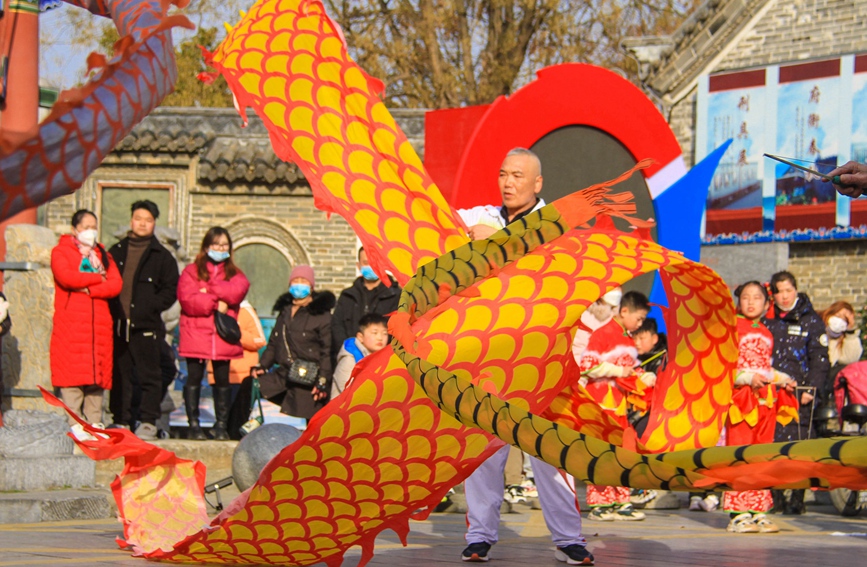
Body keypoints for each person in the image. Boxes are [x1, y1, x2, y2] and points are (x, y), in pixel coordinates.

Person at [457, 148, 593, 566]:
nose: (508, 182)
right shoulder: (482, 214)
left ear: (537, 184)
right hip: (491, 352)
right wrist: (469, 236)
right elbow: (440, 221)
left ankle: (569, 538)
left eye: (517, 175)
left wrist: (493, 243)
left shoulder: (555, 225)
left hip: (539, 357)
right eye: (502, 174)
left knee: (549, 452)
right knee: (484, 448)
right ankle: (480, 535)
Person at [723, 281, 792, 534]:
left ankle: (759, 510)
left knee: (762, 455)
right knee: (740, 454)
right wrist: (745, 378)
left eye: (757, 298)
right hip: (741, 401)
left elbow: (765, 369)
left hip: (765, 402)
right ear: (738, 301)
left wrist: (783, 379)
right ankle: (738, 513)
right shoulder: (730, 329)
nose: (751, 302)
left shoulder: (767, 332)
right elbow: (723, 369)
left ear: (766, 303)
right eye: (745, 297)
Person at [578, 291, 653, 521]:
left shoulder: (628, 339)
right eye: (638, 318)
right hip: (601, 401)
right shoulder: (603, 333)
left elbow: (629, 369)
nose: (640, 324)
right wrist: (619, 372)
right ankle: (600, 503)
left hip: (619, 405)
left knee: (622, 451)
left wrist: (644, 377)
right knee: (601, 451)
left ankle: (621, 499)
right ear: (624, 311)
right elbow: (587, 366)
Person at [108, 200, 180, 440]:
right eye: (139, 218)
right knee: (121, 375)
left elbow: (170, 291)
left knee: (151, 375)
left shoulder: (162, 257)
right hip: (119, 325)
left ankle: (148, 421)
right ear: (131, 220)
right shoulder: (116, 252)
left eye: (148, 220)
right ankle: (121, 420)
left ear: (154, 224)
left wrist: (150, 308)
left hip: (147, 326)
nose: (142, 223)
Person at [50, 210, 123, 437]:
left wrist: (88, 288)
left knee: (96, 377)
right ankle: (75, 422)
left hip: (99, 325)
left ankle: (95, 422)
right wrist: (97, 278)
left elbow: (115, 284)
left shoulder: (103, 254)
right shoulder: (61, 251)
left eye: (94, 226)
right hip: (72, 322)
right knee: (72, 375)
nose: (90, 231)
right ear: (75, 229)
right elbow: (67, 277)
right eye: (85, 226)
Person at [762, 271, 829, 514]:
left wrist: (811, 389)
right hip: (772, 392)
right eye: (779, 291)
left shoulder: (811, 320)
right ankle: (775, 497)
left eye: (788, 290)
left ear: (796, 290)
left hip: (800, 394)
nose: (784, 296)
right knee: (772, 445)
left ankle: (797, 499)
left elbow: (820, 359)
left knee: (799, 448)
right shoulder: (767, 319)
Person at [177, 227, 250, 440]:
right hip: (195, 333)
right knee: (194, 377)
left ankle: (221, 426)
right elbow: (187, 300)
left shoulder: (235, 273)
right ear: (207, 245)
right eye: (216, 244)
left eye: (224, 245)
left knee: (222, 380)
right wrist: (215, 301)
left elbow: (237, 291)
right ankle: (194, 425)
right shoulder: (191, 271)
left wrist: (207, 290)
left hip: (222, 334)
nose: (220, 248)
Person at [254, 265, 335, 422]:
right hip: (284, 374)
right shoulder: (284, 312)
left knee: (313, 421)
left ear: (311, 287)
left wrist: (323, 380)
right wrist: (262, 365)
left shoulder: (321, 315)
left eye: (303, 281)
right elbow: (273, 343)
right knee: (250, 385)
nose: (298, 284)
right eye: (295, 281)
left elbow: (327, 351)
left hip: (309, 377)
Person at [331, 247, 400, 362]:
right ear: (358, 266)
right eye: (366, 263)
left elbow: (399, 331)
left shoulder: (396, 296)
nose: (371, 266)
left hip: (384, 361)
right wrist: (349, 352)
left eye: (375, 262)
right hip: (351, 360)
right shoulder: (348, 295)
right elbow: (337, 326)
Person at [331, 313, 389, 398]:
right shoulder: (349, 359)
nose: (380, 338)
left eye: (385, 333)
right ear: (360, 337)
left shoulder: (385, 358)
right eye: (375, 333)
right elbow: (348, 392)